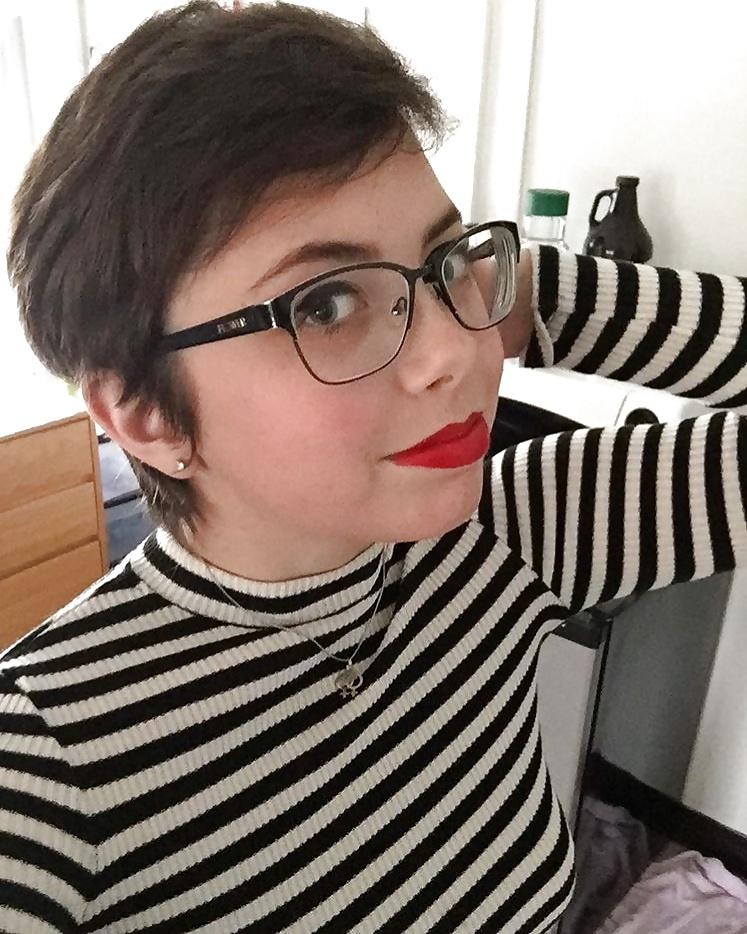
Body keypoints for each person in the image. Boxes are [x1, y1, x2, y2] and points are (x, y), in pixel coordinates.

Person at [1, 2, 746, 932]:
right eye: (324, 305)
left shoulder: (513, 534)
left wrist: (535, 291)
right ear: (147, 417)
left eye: (446, 262)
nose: (454, 352)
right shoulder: (44, 768)